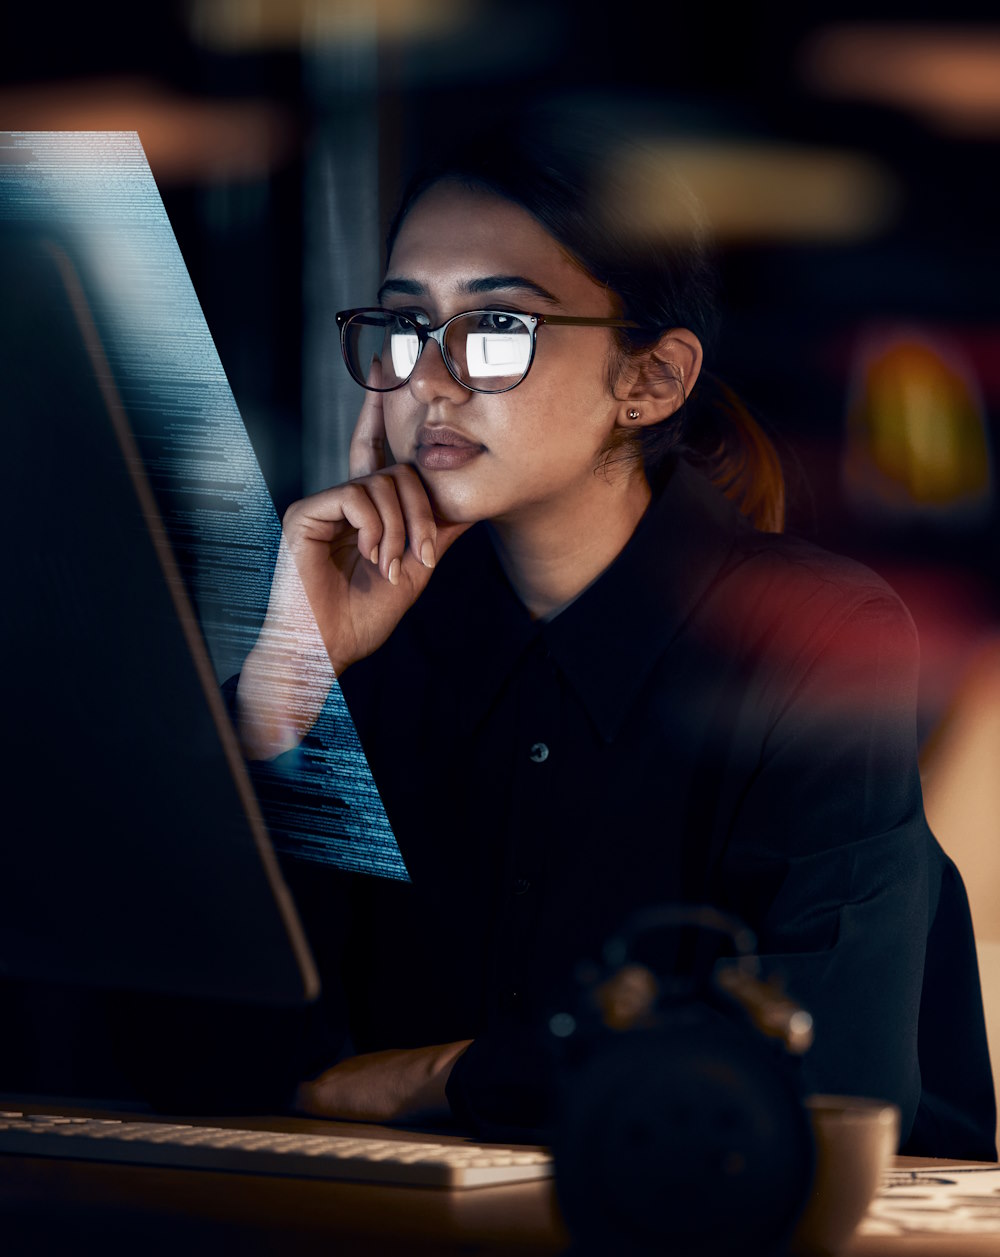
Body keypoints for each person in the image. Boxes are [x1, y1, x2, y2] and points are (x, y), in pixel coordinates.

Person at [234, 106, 995, 1159]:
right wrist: (281, 697)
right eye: (406, 326)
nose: (431, 379)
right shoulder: (364, 636)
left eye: (496, 329)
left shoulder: (806, 638)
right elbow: (208, 1058)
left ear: (651, 380)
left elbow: (827, 1087)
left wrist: (457, 1073)